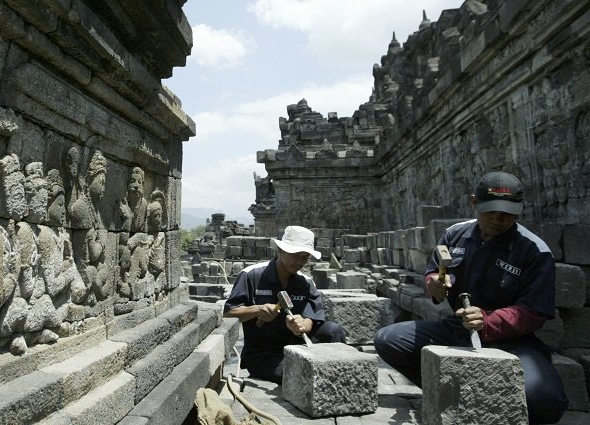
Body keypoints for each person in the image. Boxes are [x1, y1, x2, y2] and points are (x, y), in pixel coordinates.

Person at [374, 171, 568, 424]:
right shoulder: (455, 235)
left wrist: (488, 321)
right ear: (474, 203)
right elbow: (434, 271)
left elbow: (534, 311)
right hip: (457, 331)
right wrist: (434, 284)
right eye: (491, 212)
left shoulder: (534, 250)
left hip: (511, 341)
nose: (498, 220)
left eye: (508, 214)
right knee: (388, 339)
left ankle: (490, 395)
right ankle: (451, 390)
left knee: (546, 401)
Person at [223, 225, 346, 384]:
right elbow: (228, 313)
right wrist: (256, 310)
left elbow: (313, 318)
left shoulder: (306, 282)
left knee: (332, 330)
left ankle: (342, 373)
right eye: (295, 255)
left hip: (297, 346)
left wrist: (302, 325)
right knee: (302, 376)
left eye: (304, 257)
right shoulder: (251, 275)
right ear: (280, 251)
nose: (300, 262)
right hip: (263, 354)